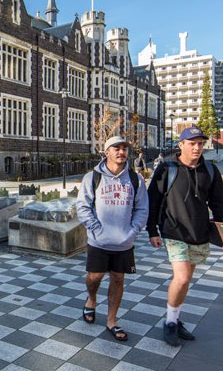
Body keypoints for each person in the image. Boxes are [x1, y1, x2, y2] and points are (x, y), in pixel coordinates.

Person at [147, 126, 223, 347]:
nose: (197, 147)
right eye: (192, 143)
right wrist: (152, 231)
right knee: (182, 277)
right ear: (181, 145)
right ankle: (170, 324)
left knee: (185, 282)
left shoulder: (210, 171)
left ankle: (174, 318)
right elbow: (152, 200)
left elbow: (220, 204)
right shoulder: (167, 168)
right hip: (173, 231)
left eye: (201, 143)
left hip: (199, 232)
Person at [76, 136, 148, 342]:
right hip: (99, 240)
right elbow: (82, 206)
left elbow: (142, 208)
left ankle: (112, 320)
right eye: (116, 148)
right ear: (106, 152)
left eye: (124, 148)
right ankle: (91, 299)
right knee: (95, 277)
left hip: (124, 241)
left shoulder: (135, 179)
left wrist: (133, 231)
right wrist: (95, 228)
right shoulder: (92, 177)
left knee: (118, 278)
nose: (121, 152)